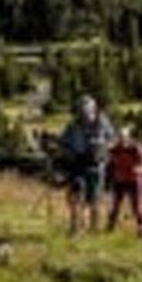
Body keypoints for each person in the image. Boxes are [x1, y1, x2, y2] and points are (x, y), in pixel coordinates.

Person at [59, 94, 119, 235]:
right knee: (75, 196)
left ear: (93, 109)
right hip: (78, 163)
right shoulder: (73, 125)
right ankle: (76, 227)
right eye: (81, 111)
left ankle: (93, 228)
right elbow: (64, 141)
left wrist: (103, 148)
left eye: (86, 111)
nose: (84, 115)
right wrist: (65, 151)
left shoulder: (103, 122)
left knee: (94, 198)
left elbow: (113, 140)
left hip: (96, 165)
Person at [105, 122, 142, 239]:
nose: (122, 140)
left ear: (128, 137)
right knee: (115, 205)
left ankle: (141, 229)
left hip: (134, 181)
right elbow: (108, 158)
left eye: (124, 137)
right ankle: (110, 227)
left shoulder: (136, 148)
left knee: (136, 207)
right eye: (120, 137)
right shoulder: (115, 149)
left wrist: (140, 169)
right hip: (119, 180)